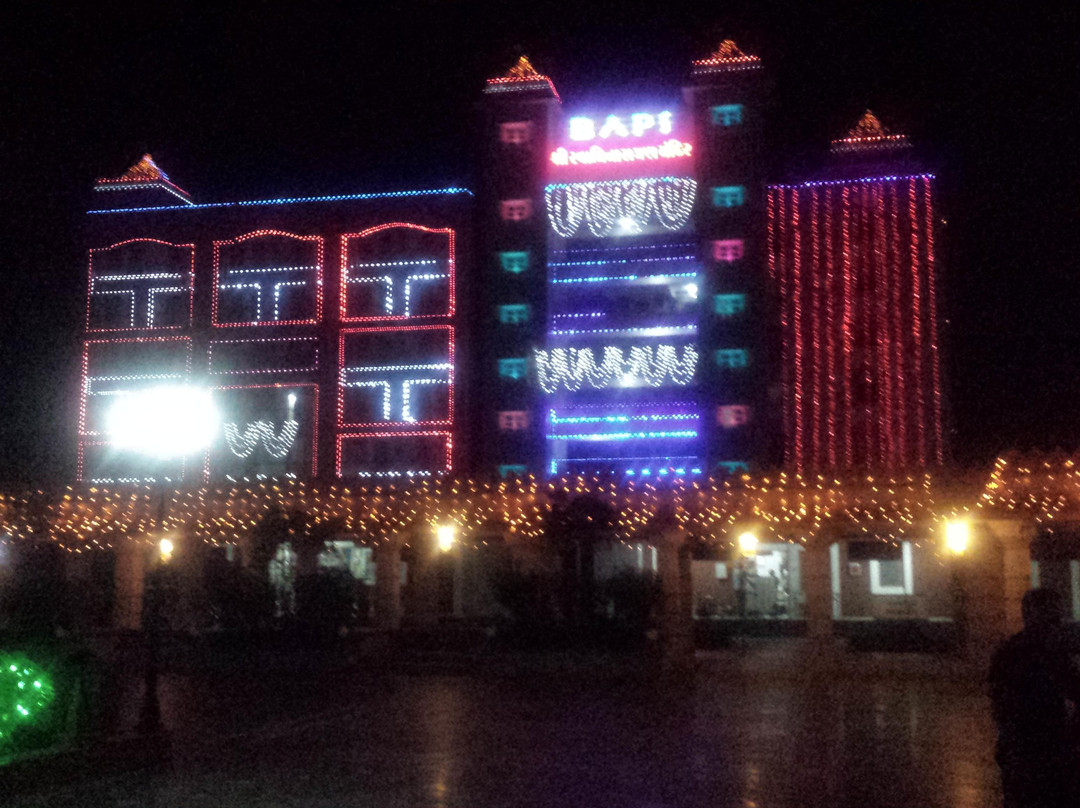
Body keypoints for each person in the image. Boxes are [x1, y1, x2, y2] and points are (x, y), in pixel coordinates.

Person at [989, 588, 1080, 807]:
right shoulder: (1046, 650)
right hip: (1044, 749)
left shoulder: (1010, 650)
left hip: (1021, 749)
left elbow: (998, 704)